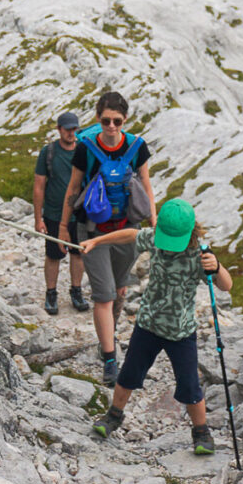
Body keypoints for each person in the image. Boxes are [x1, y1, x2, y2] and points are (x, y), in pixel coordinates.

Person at [82, 198, 232, 455]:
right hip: (148, 325)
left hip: (181, 333)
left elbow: (226, 285)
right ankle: (113, 416)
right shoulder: (154, 238)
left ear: (191, 232)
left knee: (189, 385)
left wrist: (216, 267)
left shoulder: (200, 254)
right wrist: (97, 241)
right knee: (129, 374)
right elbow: (131, 234)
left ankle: (201, 432)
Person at [59, 92, 156, 386]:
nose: (111, 126)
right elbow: (73, 188)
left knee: (119, 291)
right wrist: (63, 227)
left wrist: (154, 225)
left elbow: (147, 186)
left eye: (117, 121)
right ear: (98, 118)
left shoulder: (137, 147)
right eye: (105, 121)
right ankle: (110, 358)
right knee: (104, 294)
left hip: (128, 231)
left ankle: (109, 336)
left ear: (125, 120)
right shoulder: (85, 149)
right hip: (92, 232)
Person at [34, 111, 90, 315]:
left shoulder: (83, 150)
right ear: (59, 129)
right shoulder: (48, 152)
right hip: (54, 214)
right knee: (53, 255)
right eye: (67, 129)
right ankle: (51, 293)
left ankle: (76, 291)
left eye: (74, 128)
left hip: (79, 213)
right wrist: (38, 218)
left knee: (78, 253)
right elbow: (39, 185)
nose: (71, 133)